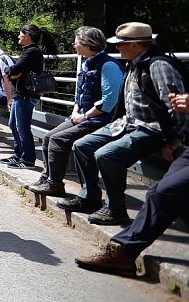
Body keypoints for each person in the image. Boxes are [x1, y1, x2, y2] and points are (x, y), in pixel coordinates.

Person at [59, 22, 188, 225]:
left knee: (106, 155)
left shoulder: (158, 65)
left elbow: (177, 107)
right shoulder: (134, 63)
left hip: (151, 129)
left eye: (120, 44)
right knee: (81, 146)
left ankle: (115, 209)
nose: (116, 48)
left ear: (135, 45)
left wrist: (174, 139)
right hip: (127, 124)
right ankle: (89, 197)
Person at [75, 92, 189, 277]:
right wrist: (177, 140)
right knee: (161, 193)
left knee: (163, 192)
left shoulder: (157, 64)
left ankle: (123, 251)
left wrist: (170, 137)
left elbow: (170, 110)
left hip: (150, 131)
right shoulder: (135, 67)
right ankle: (122, 252)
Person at [28, 27, 122, 195]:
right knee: (49, 137)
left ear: (88, 44)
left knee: (58, 140)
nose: (74, 45)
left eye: (76, 42)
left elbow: (109, 101)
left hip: (101, 119)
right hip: (85, 116)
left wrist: (84, 116)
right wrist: (76, 111)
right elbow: (80, 94)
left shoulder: (108, 65)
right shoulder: (87, 63)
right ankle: (47, 178)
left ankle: (55, 184)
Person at [1, 24, 57, 168]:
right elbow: (15, 71)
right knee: (13, 124)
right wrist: (13, 73)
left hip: (25, 95)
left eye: (20, 34)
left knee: (23, 127)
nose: (18, 36)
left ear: (27, 36)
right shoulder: (29, 51)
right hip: (20, 95)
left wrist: (10, 71)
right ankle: (18, 154)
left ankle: (28, 159)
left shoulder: (31, 52)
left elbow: (14, 69)